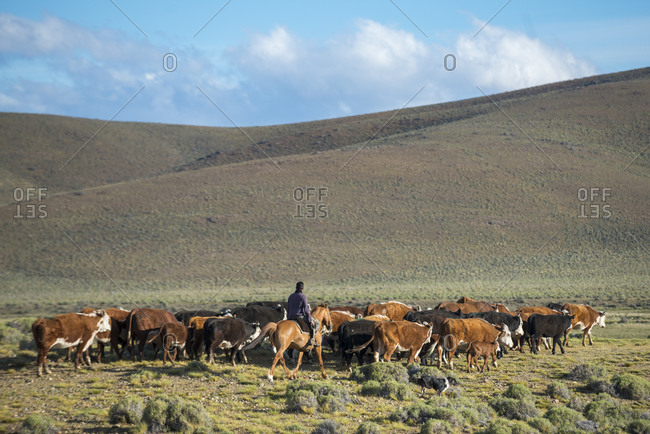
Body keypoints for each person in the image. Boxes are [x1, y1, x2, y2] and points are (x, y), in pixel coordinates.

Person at [287, 281, 318, 346]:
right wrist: (310, 320)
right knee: (317, 323)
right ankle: (312, 340)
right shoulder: (303, 296)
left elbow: (288, 307)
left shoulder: (290, 296)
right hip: (299, 316)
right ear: (302, 288)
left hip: (290, 316)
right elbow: (306, 310)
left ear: (295, 288)